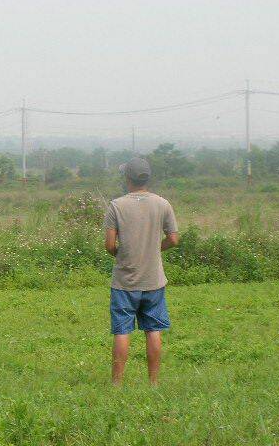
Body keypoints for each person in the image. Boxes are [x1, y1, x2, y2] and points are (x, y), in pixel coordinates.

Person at [103, 157, 179, 386]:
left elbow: (109, 245)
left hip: (124, 282)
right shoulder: (163, 204)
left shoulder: (116, 206)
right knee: (153, 330)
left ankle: (117, 383)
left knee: (122, 331)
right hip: (153, 280)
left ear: (127, 178)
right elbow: (173, 239)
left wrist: (121, 254)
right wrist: (154, 248)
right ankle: (153, 382)